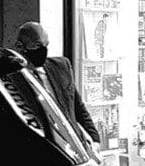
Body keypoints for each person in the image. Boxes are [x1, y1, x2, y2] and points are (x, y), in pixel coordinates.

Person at [15, 21, 100, 149]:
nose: (43, 50)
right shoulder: (13, 78)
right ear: (20, 46)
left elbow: (78, 106)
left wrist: (94, 139)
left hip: (74, 147)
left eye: (46, 44)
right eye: (37, 45)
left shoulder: (61, 66)